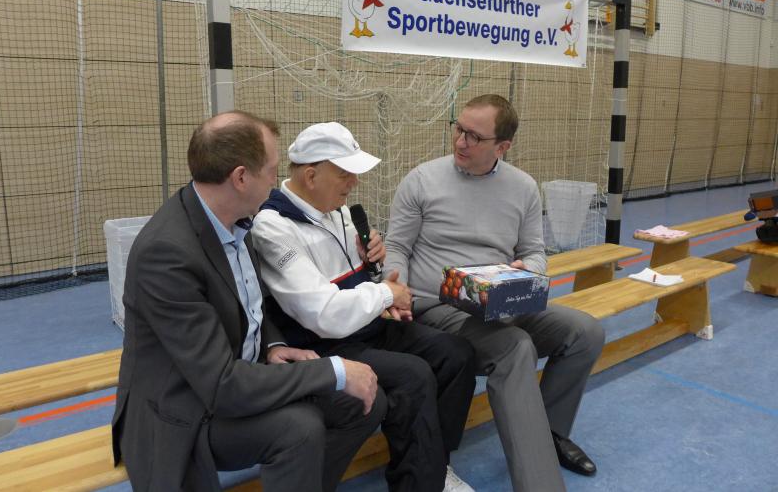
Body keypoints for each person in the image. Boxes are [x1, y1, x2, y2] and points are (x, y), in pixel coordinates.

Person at [111, 111, 385, 492]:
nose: (277, 180)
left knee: (363, 402)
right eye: (272, 170)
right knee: (299, 428)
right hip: (185, 409)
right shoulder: (167, 254)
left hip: (231, 378)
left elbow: (245, 304)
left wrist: (272, 345)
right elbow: (222, 386)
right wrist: (334, 370)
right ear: (241, 178)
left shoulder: (235, 220)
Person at [384, 94, 606, 492]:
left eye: (474, 136)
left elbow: (534, 251)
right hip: (439, 306)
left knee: (585, 332)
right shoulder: (421, 180)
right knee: (514, 347)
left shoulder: (522, 187)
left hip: (499, 301)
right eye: (459, 129)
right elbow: (397, 245)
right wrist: (394, 285)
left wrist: (529, 271)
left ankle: (547, 435)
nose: (461, 141)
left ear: (502, 147)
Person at [250, 122, 477, 492]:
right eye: (345, 174)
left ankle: (436, 462)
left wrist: (376, 272)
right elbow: (323, 314)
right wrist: (387, 295)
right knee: (414, 376)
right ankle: (419, 482)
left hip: (366, 326)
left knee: (456, 354)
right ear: (311, 176)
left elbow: (361, 282)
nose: (353, 183)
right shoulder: (273, 227)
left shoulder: (338, 211)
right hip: (324, 343)